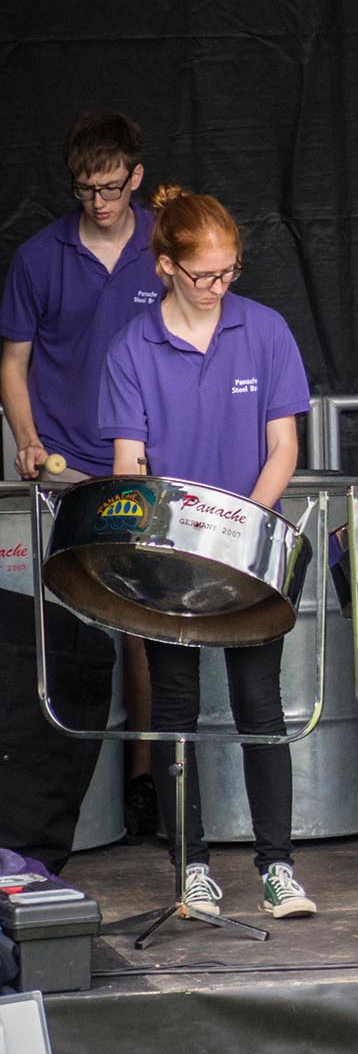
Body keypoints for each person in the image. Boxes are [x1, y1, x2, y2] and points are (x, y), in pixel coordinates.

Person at [97, 185, 316, 918]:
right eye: (205, 274)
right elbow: (130, 464)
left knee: (261, 708)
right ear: (165, 266)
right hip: (172, 558)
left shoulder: (266, 330)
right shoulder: (133, 349)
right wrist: (172, 532)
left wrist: (241, 528)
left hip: (248, 551)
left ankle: (278, 867)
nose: (220, 286)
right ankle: (191, 867)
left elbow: (284, 446)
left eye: (230, 272)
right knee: (176, 711)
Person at [0, 112, 161, 836]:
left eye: (109, 187)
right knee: (64, 626)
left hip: (144, 465)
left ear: (136, 174)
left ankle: (143, 781)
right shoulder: (39, 256)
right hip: (64, 469)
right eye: (84, 189)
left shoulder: (167, 243)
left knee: (142, 626)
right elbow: (14, 363)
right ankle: (64, 796)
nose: (97, 202)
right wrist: (27, 439)